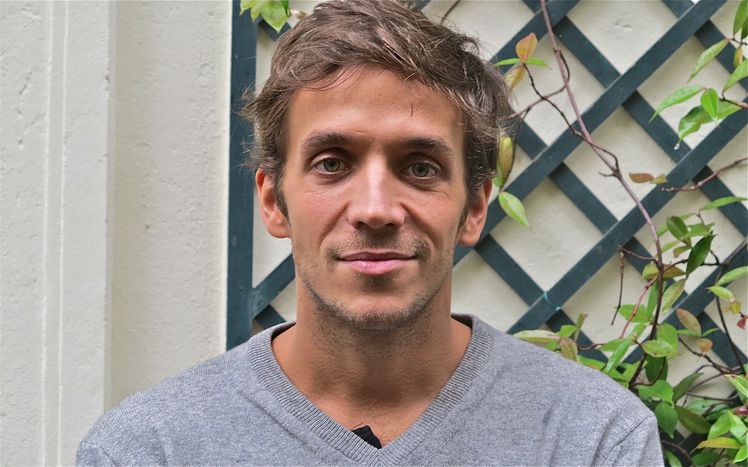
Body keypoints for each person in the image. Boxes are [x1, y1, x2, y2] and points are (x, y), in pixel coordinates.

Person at [77, 0, 663, 465]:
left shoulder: (591, 438)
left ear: (475, 206)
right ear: (273, 201)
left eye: (420, 168)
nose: (376, 209)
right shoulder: (151, 449)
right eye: (332, 163)